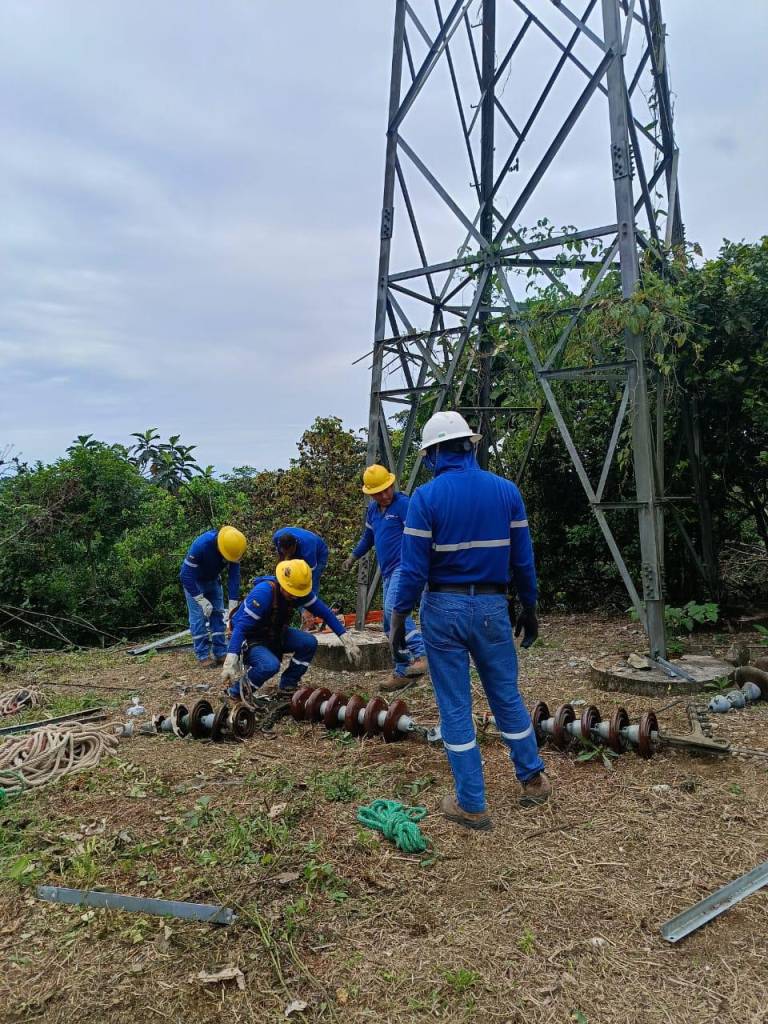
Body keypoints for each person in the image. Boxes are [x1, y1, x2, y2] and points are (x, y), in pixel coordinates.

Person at [390, 411, 550, 831]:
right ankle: (532, 780)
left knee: (455, 706)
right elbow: (523, 561)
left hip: (443, 610)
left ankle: (472, 803)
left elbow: (412, 572)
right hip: (494, 609)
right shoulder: (506, 492)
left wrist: (397, 620)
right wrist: (529, 607)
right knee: (506, 695)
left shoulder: (425, 498)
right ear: (469, 445)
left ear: (435, 453)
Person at [221, 558, 361, 698]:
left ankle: (288, 684)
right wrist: (231, 657)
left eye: (297, 593)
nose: (294, 596)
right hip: (250, 638)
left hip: (275, 634)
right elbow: (240, 628)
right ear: (282, 583)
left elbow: (325, 613)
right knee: (269, 665)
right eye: (291, 592)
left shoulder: (299, 592)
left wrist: (346, 639)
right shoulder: (263, 593)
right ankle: (236, 693)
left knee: (309, 642)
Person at [343, 463, 427, 692]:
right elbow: (368, 537)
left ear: (392, 484)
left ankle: (420, 654)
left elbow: (418, 538)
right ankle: (402, 670)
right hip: (389, 571)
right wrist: (353, 556)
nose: (384, 495)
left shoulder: (404, 505)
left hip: (405, 567)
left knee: (393, 611)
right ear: (370, 493)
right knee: (388, 624)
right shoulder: (373, 509)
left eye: (387, 489)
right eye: (378, 492)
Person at [180, 526, 247, 666]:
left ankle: (221, 652)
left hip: (214, 580)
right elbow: (185, 575)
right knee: (198, 618)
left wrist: (233, 602)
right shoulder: (201, 545)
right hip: (195, 582)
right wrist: (200, 599)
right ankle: (203, 655)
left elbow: (234, 576)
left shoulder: (234, 548)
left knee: (218, 614)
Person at [272, 527, 329, 627]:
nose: (287, 555)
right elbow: (282, 561)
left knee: (306, 584)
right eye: (285, 552)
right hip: (296, 549)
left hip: (319, 554)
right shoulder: (277, 537)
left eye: (289, 552)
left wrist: (306, 608)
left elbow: (309, 581)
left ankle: (310, 615)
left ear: (295, 545)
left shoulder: (308, 549)